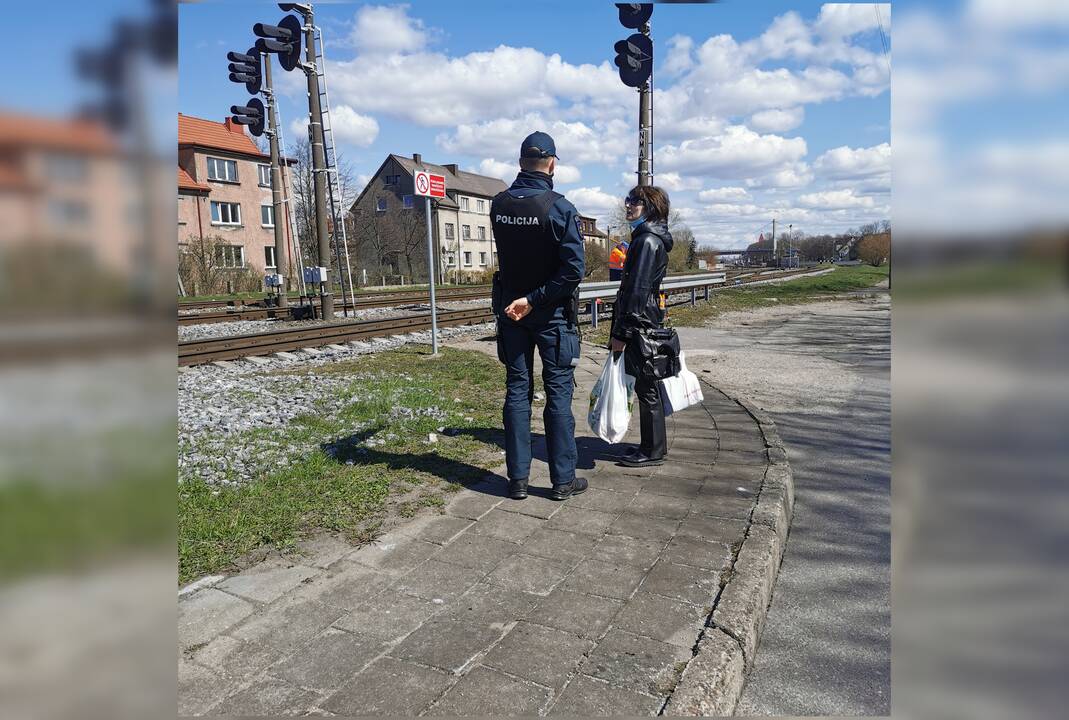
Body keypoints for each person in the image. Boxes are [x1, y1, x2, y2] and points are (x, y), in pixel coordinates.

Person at [491, 131, 587, 501]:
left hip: (510, 313)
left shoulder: (498, 205)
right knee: (557, 393)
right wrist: (535, 299)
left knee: (517, 391)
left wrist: (522, 299)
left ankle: (517, 480)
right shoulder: (560, 208)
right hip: (551, 317)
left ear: (520, 163)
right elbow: (571, 272)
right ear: (551, 164)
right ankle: (562, 481)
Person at [608, 185, 674, 467]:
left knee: (646, 387)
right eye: (628, 200)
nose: (628, 206)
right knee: (648, 385)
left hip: (639, 322)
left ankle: (652, 450)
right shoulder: (647, 238)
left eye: (634, 201)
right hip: (645, 318)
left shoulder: (646, 241)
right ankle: (653, 445)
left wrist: (622, 332)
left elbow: (637, 289)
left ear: (649, 206)